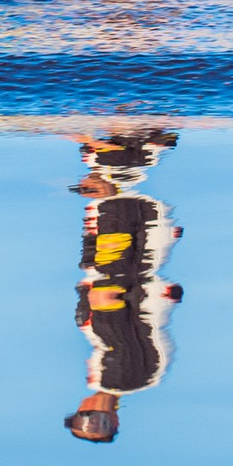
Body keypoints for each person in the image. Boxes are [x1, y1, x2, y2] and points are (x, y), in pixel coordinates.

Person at [62, 129, 184, 445]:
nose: (88, 415)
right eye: (96, 423)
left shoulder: (141, 378)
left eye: (82, 419)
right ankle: (128, 136)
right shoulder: (124, 378)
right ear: (115, 419)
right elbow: (115, 318)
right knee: (106, 186)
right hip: (118, 267)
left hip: (125, 265)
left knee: (106, 180)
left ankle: (134, 133)